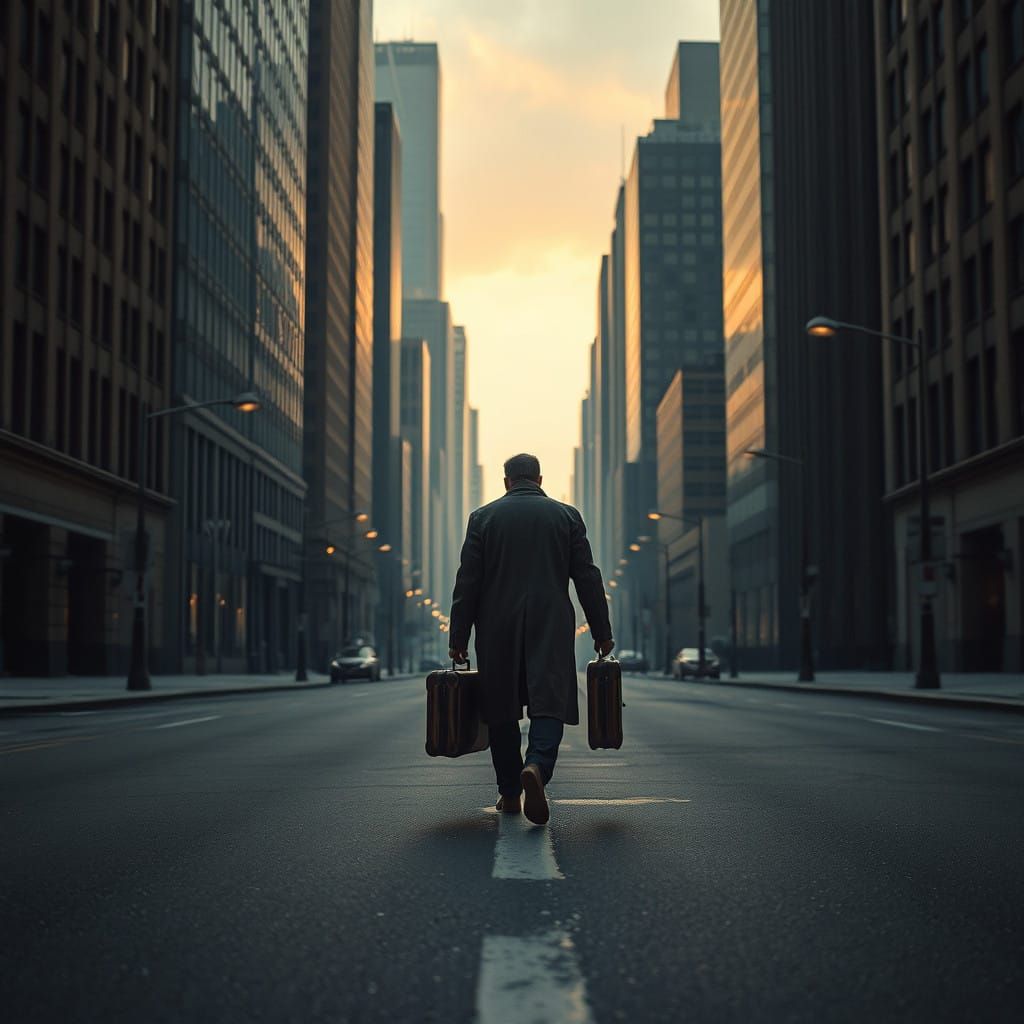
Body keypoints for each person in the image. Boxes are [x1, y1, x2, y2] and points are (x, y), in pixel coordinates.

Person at [448, 453, 614, 825]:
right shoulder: (566, 516)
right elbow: (588, 578)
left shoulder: (483, 518)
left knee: (501, 705)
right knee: (549, 699)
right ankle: (537, 765)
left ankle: (509, 793)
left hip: (496, 625)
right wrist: (602, 633)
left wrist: (458, 635)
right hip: (551, 623)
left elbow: (467, 583)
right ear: (539, 479)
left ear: (506, 481)